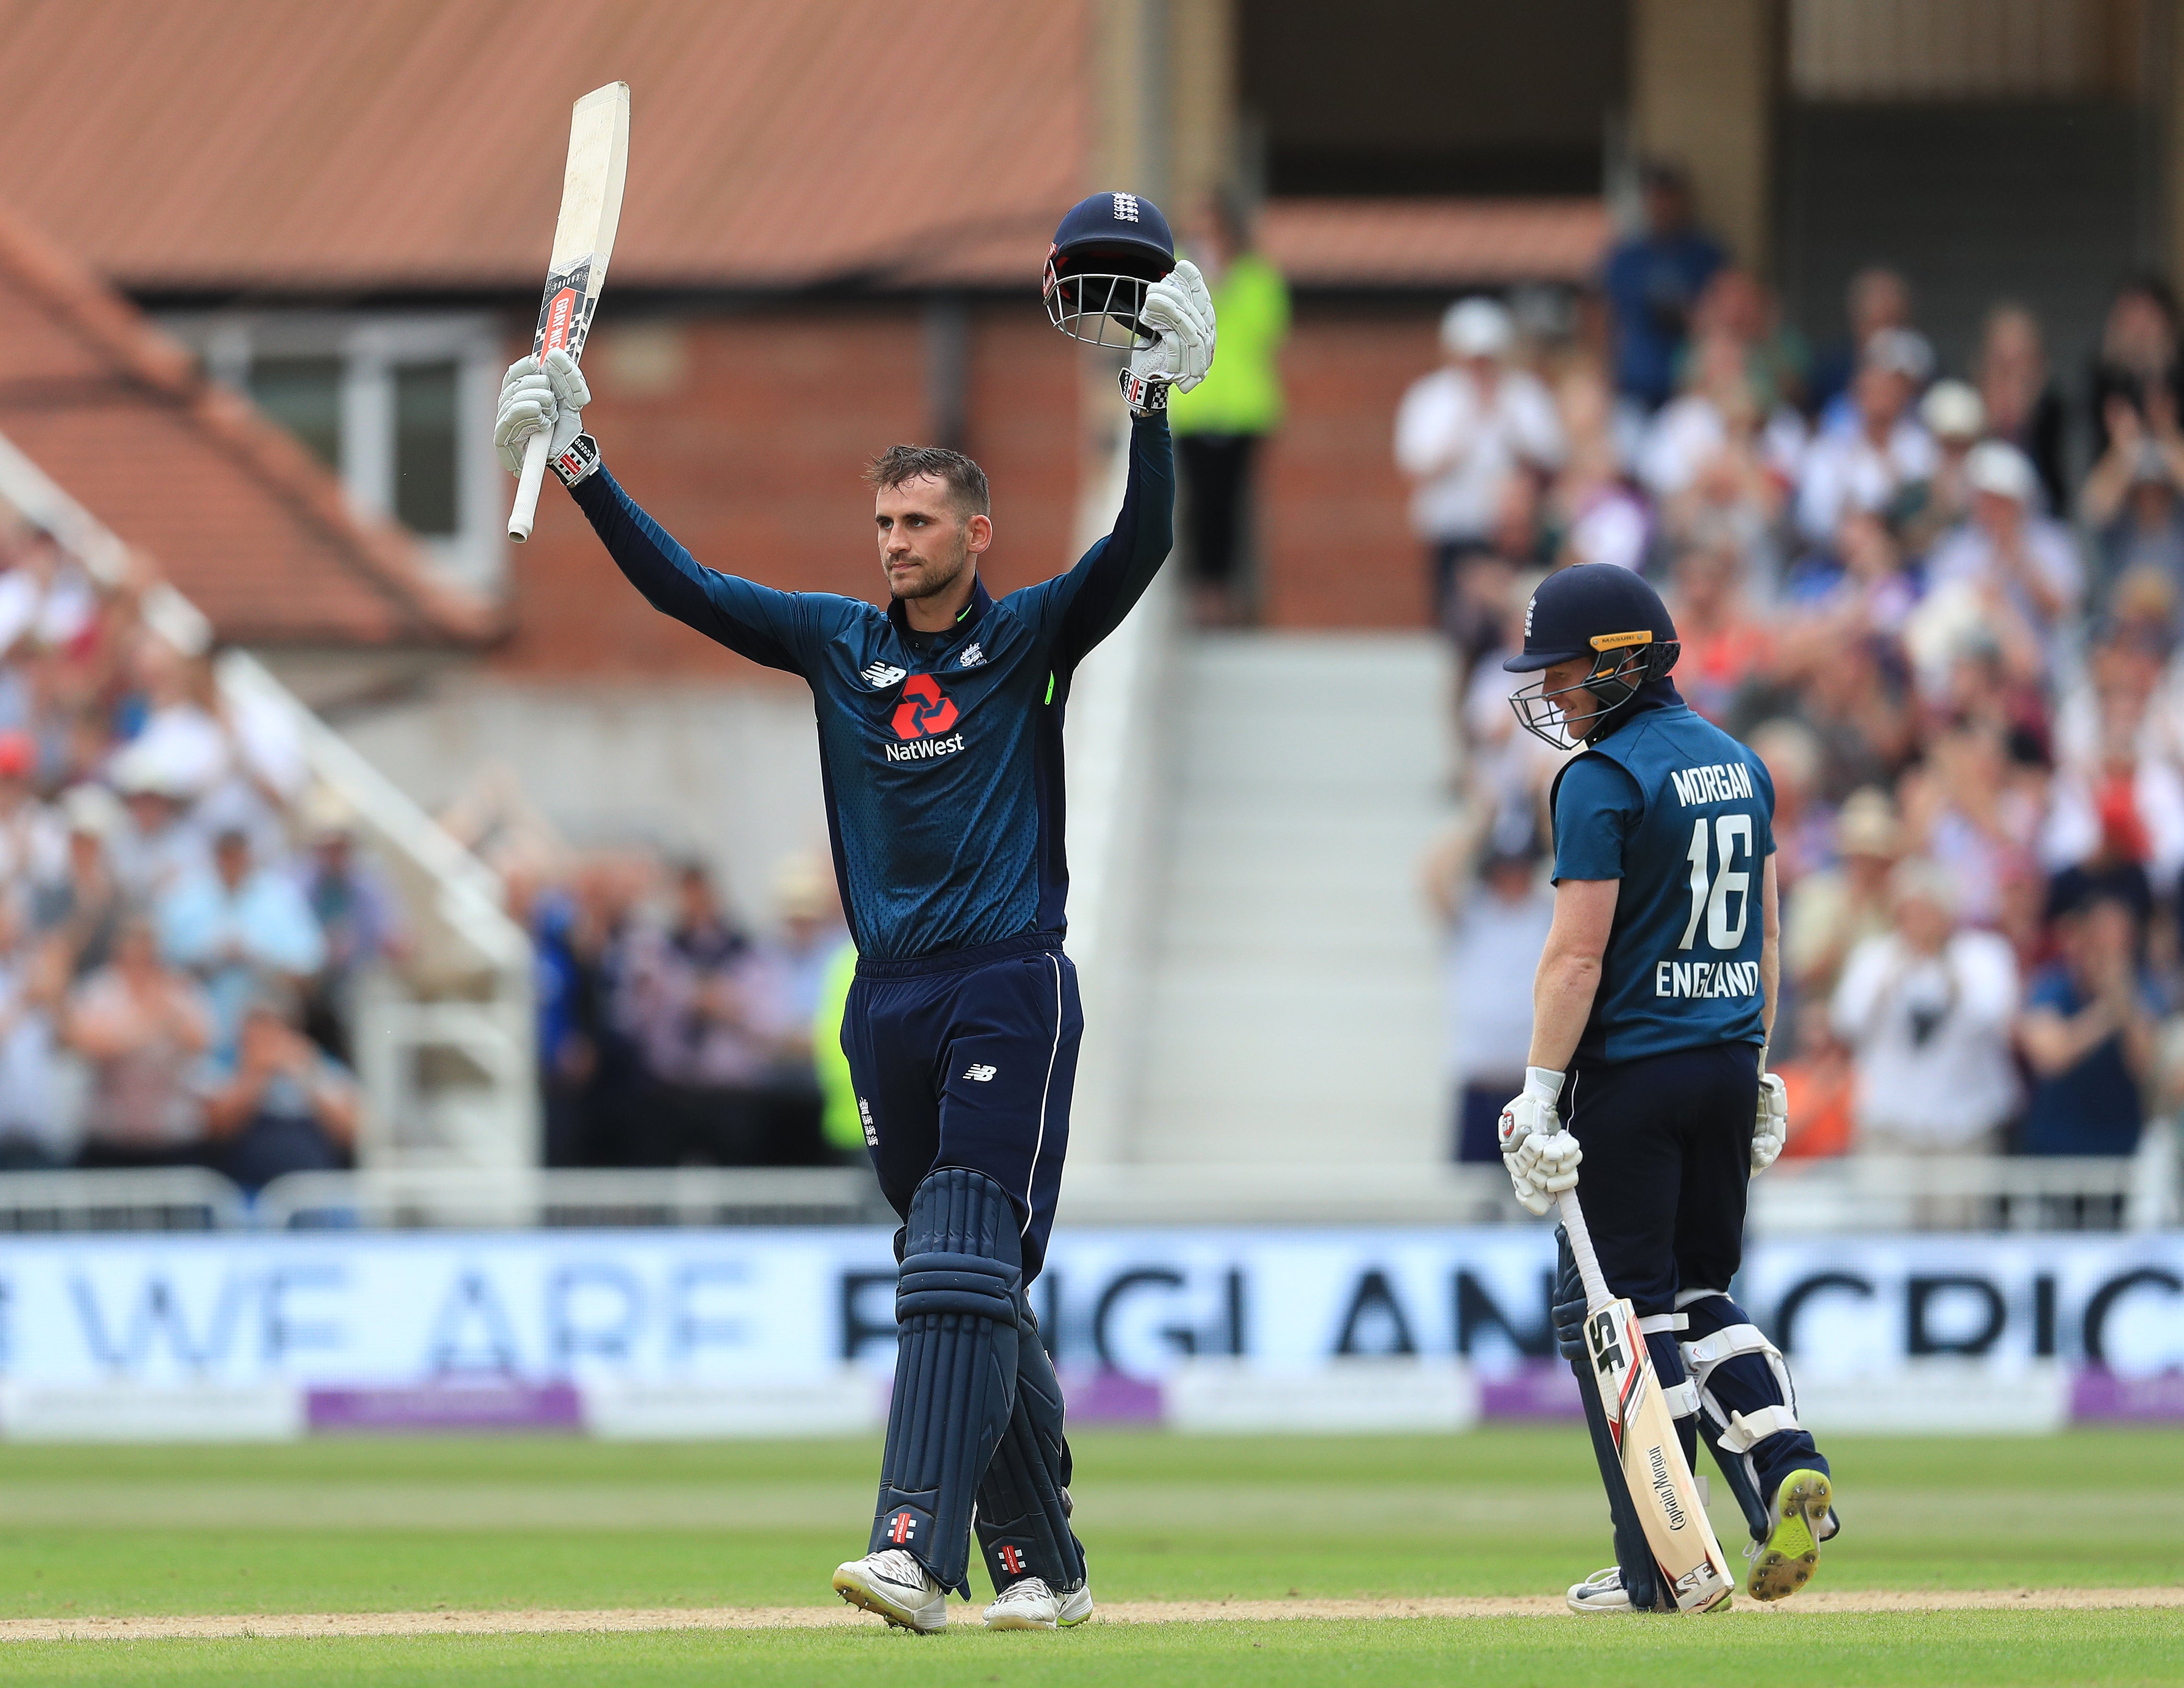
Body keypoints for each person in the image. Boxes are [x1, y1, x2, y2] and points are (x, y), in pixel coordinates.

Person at [492, 188, 1213, 1636]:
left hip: (1007, 978)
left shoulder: (1024, 641)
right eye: (881, 520)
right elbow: (685, 589)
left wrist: (1146, 406)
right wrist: (579, 456)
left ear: (975, 530)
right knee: (963, 1279)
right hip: (881, 997)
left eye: (917, 521)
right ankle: (1049, 1564)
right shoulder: (834, 644)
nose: (891, 542)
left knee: (956, 1252)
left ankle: (912, 1552)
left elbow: (1134, 551)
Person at [1494, 564, 1835, 1615]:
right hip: (1728, 1061)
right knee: (1706, 1292)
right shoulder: (1743, 762)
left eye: (1567, 674)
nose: (1555, 696)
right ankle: (1786, 1458)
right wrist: (1760, 1059)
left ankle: (1667, 1562)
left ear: (1626, 660)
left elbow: (1576, 958)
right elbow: (1768, 933)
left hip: (1633, 1073)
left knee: (1629, 1316)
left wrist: (1541, 1090)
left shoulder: (1600, 778)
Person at [1395, 297, 1565, 629]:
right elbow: (1416, 465)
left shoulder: (1524, 394)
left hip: (1513, 532)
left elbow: (1551, 457)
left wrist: (1507, 421)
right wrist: (1464, 426)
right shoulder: (1431, 398)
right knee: (1459, 618)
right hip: (1454, 526)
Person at [1168, 192, 1289, 626]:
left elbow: (1268, 328)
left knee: (1232, 505)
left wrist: (1226, 285)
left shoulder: (1256, 276)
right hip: (1193, 406)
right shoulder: (1176, 273)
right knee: (1198, 505)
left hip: (1242, 410)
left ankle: (1229, 595)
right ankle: (1202, 595)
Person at [2015, 885, 2159, 1162]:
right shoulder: (2050, 985)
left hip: (2120, 1146)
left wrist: (2124, 1002)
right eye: (2101, 936)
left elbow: (2146, 1064)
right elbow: (2052, 1056)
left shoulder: (2146, 988)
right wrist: (2110, 1010)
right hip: (2054, 1144)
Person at [157, 827, 326, 1056]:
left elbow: (309, 968)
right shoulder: (185, 897)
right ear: (215, 857)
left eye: (237, 856)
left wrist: (256, 955)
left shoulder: (279, 898)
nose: (232, 863)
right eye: (226, 856)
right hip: (197, 1035)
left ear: (249, 856)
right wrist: (209, 957)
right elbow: (159, 969)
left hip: (266, 1031)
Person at [64, 914, 215, 1168]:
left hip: (172, 1141)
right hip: (110, 1140)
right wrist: (150, 1025)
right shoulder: (99, 990)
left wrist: (149, 1022)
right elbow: (87, 1043)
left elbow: (200, 1041)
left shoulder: (179, 988)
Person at [201, 989, 359, 1194]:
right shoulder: (224, 1063)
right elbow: (216, 1129)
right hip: (244, 1192)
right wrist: (255, 1075)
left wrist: (307, 1075)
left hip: (317, 1191)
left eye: (275, 1027)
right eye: (259, 1026)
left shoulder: (317, 1062)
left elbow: (350, 1131)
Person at [1601, 162, 1725, 414]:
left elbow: (1725, 315)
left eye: (1670, 198)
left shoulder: (1706, 255)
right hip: (1632, 388)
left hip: (1693, 391)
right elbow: (1601, 315)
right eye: (1657, 198)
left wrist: (1688, 316)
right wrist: (1604, 372)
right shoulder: (1626, 257)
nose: (1664, 207)